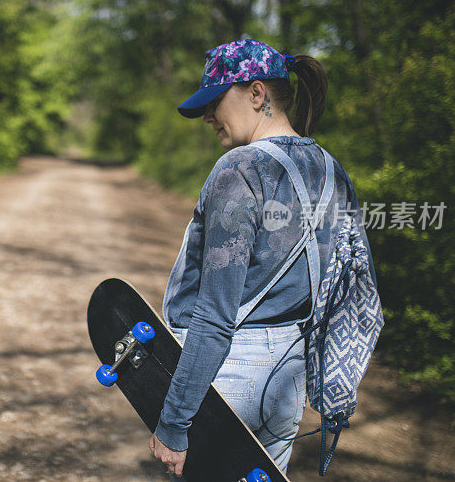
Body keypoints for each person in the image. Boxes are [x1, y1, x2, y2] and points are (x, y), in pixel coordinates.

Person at [147, 38, 376, 479]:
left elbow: (214, 318)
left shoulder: (240, 169)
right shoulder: (331, 170)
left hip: (230, 373)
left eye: (216, 101)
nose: (210, 116)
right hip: (289, 376)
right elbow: (343, 289)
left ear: (256, 94)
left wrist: (174, 422)